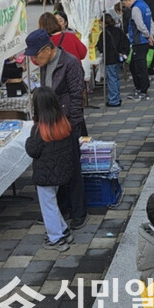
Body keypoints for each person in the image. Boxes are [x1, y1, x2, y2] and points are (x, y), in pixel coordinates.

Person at [25, 29, 89, 230]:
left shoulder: (70, 63)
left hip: (67, 124)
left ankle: (79, 212)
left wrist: (74, 126)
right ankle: (62, 208)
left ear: (47, 49)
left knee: (73, 168)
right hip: (50, 123)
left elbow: (77, 96)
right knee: (57, 167)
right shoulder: (45, 64)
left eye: (36, 55)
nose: (34, 60)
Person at [25, 87, 79, 251]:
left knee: (48, 206)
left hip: (45, 176)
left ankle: (56, 238)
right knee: (52, 204)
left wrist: (28, 140)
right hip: (61, 173)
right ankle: (63, 230)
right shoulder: (63, 123)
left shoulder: (38, 129)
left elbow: (33, 151)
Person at [120, 0, 154, 101]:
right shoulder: (144, 5)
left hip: (139, 41)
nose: (125, 6)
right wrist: (151, 35)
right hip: (143, 40)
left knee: (140, 67)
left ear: (127, 0)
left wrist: (148, 35)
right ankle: (139, 88)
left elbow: (140, 25)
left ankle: (143, 91)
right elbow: (151, 22)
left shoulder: (135, 8)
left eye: (124, 4)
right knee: (134, 65)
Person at [96, 13, 130, 107]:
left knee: (111, 79)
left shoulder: (104, 33)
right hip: (118, 58)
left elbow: (100, 47)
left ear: (103, 23)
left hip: (110, 58)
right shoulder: (118, 30)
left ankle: (114, 100)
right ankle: (116, 97)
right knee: (116, 78)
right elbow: (126, 42)